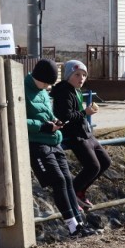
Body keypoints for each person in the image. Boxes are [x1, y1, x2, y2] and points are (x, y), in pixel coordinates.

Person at [25, 58, 98, 238]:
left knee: (67, 180)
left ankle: (80, 223)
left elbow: (48, 112)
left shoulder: (43, 89)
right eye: (45, 83)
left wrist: (54, 121)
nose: (46, 87)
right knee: (57, 181)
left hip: (53, 139)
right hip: (37, 142)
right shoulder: (22, 90)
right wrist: (42, 126)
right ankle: (72, 226)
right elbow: (18, 119)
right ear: (37, 77)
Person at [51, 60, 112, 210]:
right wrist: (86, 112)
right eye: (77, 74)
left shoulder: (76, 91)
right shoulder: (63, 91)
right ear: (68, 76)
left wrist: (85, 113)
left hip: (85, 133)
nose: (81, 78)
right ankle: (72, 194)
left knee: (105, 162)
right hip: (74, 135)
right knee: (93, 166)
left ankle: (80, 191)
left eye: (84, 75)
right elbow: (65, 116)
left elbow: (76, 114)